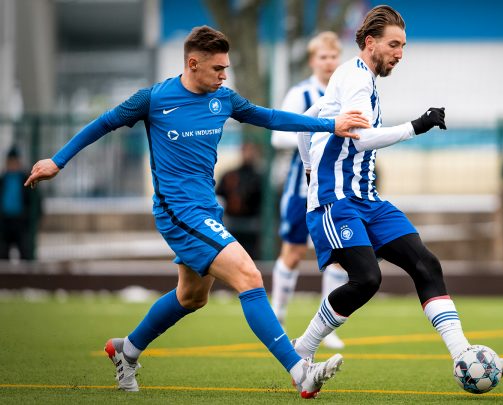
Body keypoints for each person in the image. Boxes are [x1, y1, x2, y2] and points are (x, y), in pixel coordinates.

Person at [24, 26, 370, 398]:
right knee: (249, 275)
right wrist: (57, 161)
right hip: (176, 211)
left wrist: (330, 125)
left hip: (205, 210)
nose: (224, 75)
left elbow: (271, 118)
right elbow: (102, 124)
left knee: (192, 296)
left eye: (226, 68)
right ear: (193, 63)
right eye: (218, 68)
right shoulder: (153, 99)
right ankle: (300, 370)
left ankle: (127, 350)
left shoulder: (224, 99)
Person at [292, 5, 503, 378]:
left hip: (367, 199)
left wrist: (306, 167)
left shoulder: (361, 79)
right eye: (394, 45)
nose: (400, 54)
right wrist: (417, 125)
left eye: (403, 45)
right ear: (370, 43)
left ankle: (464, 355)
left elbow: (306, 125)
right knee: (367, 280)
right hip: (337, 202)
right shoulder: (354, 78)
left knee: (426, 264)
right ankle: (302, 349)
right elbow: (362, 138)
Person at [270, 31, 348, 349]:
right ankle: (278, 315)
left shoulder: (346, 93)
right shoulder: (301, 94)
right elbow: (278, 137)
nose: (329, 63)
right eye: (323, 57)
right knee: (294, 252)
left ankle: (326, 327)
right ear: (313, 61)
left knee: (339, 255)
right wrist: (319, 135)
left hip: (338, 186)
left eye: (333, 57)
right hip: (302, 188)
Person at [216, 142, 263, 259]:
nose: (249, 154)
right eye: (246, 151)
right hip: (233, 223)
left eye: (251, 151)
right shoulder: (230, 175)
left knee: (251, 257)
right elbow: (219, 196)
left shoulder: (260, 177)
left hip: (252, 224)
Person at [1, 146, 41, 260]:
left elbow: (36, 202)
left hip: (22, 222)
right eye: (10, 162)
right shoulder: (3, 180)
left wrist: (31, 220)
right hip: (4, 223)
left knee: (26, 255)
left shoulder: (27, 180)